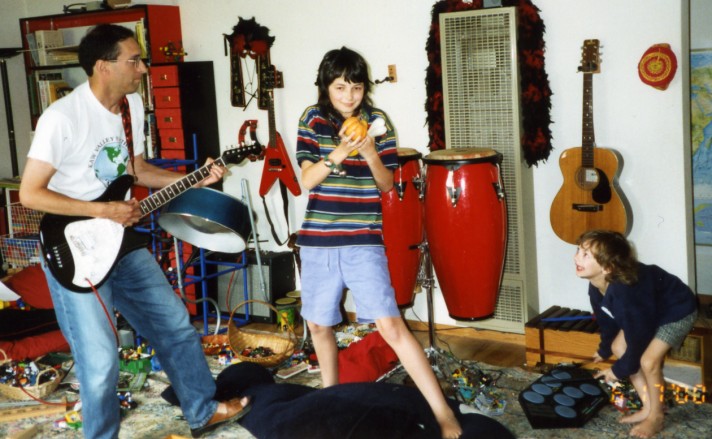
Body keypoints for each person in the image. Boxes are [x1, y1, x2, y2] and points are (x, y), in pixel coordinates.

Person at [19, 24, 250, 439]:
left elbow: (136, 171)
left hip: (121, 240)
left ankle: (201, 410)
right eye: (134, 60)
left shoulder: (131, 109)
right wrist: (104, 209)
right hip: (73, 246)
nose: (143, 68)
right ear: (103, 66)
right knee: (100, 358)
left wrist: (195, 179)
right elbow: (30, 194)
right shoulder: (62, 118)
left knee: (175, 324)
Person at [295, 46, 462, 439]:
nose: (349, 96)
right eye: (340, 87)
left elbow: (387, 185)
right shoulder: (313, 119)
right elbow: (306, 181)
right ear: (326, 87)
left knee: (391, 325)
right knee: (319, 326)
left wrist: (369, 150)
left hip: (363, 239)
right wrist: (340, 151)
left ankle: (442, 414)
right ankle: (330, 403)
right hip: (318, 239)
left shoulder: (377, 121)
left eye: (355, 87)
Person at [574, 230, 697, 438]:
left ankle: (656, 417)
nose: (577, 257)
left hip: (677, 309)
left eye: (586, 255)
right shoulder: (596, 287)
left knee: (649, 361)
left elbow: (639, 338)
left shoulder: (624, 294)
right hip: (648, 310)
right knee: (618, 347)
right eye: (578, 250)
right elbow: (607, 322)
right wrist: (605, 350)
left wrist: (618, 370)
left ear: (607, 267)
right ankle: (649, 406)